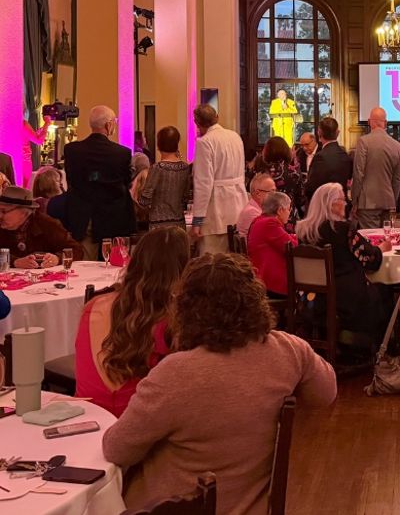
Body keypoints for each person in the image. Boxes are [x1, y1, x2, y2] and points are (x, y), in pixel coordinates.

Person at [103, 253, 337, 512]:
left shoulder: (174, 374)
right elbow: (325, 394)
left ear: (185, 308)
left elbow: (116, 449)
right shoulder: (289, 351)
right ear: (255, 300)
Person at [75, 227, 190, 417]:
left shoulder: (94, 306)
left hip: (87, 412)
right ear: (183, 268)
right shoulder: (173, 318)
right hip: (137, 420)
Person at [296, 183, 390, 345]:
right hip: (343, 299)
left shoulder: (304, 231)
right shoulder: (343, 229)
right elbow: (370, 260)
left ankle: (343, 343)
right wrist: (382, 248)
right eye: (342, 200)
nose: (346, 203)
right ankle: (380, 348)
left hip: (311, 299)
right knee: (385, 291)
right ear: (331, 205)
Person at [63, 105, 136, 260]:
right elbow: (126, 182)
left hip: (83, 215)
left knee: (85, 263)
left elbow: (71, 181)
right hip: (113, 216)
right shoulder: (121, 153)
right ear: (108, 125)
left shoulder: (72, 150)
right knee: (112, 264)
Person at [190, 105, 248, 253]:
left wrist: (197, 221)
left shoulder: (205, 142)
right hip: (238, 206)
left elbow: (203, 184)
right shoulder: (235, 136)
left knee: (213, 263)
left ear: (197, 123)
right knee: (235, 260)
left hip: (216, 211)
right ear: (217, 117)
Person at [0, 186, 83, 268]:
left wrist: (57, 258)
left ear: (23, 212)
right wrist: (15, 261)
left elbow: (76, 250)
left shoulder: (47, 224)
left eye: (3, 211)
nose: (0, 215)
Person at [351, 107, 400, 230]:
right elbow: (397, 179)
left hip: (367, 203)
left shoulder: (363, 142)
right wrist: (392, 200)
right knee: (386, 241)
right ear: (386, 123)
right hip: (388, 202)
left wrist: (354, 200)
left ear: (369, 122)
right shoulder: (397, 145)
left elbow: (358, 174)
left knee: (371, 242)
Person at [138, 126, 193, 230]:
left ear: (159, 145)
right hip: (179, 224)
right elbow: (186, 197)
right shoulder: (185, 168)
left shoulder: (157, 168)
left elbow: (144, 200)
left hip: (158, 225)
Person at [247, 191, 297, 297]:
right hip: (271, 283)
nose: (289, 213)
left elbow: (286, 238)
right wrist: (299, 237)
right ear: (279, 210)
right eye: (288, 209)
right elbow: (291, 247)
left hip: (263, 278)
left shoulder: (260, 220)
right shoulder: (270, 224)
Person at [305, 116, 352, 203]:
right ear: (338, 133)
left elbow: (311, 187)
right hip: (341, 204)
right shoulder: (346, 156)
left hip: (324, 205)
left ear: (319, 133)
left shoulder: (320, 157)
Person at [259, 136, 303, 212]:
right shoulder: (294, 172)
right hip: (288, 213)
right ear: (286, 150)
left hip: (266, 213)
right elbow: (300, 199)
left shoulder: (262, 173)